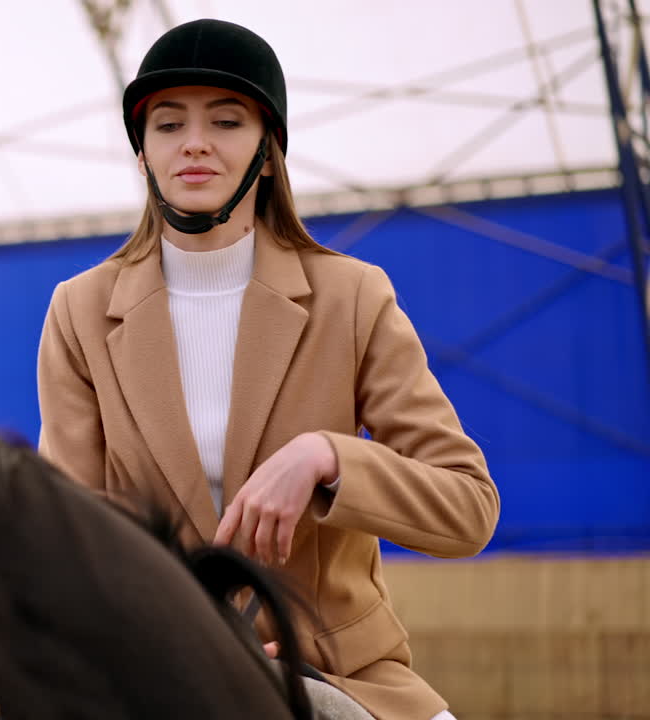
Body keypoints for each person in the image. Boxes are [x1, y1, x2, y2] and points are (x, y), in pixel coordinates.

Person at [35, 18, 499, 720]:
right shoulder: (79, 311)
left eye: (226, 120)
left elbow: (468, 508)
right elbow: (65, 541)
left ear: (269, 152)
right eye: (167, 125)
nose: (194, 142)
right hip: (156, 681)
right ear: (143, 155)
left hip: (339, 678)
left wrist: (327, 459)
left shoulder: (353, 297)